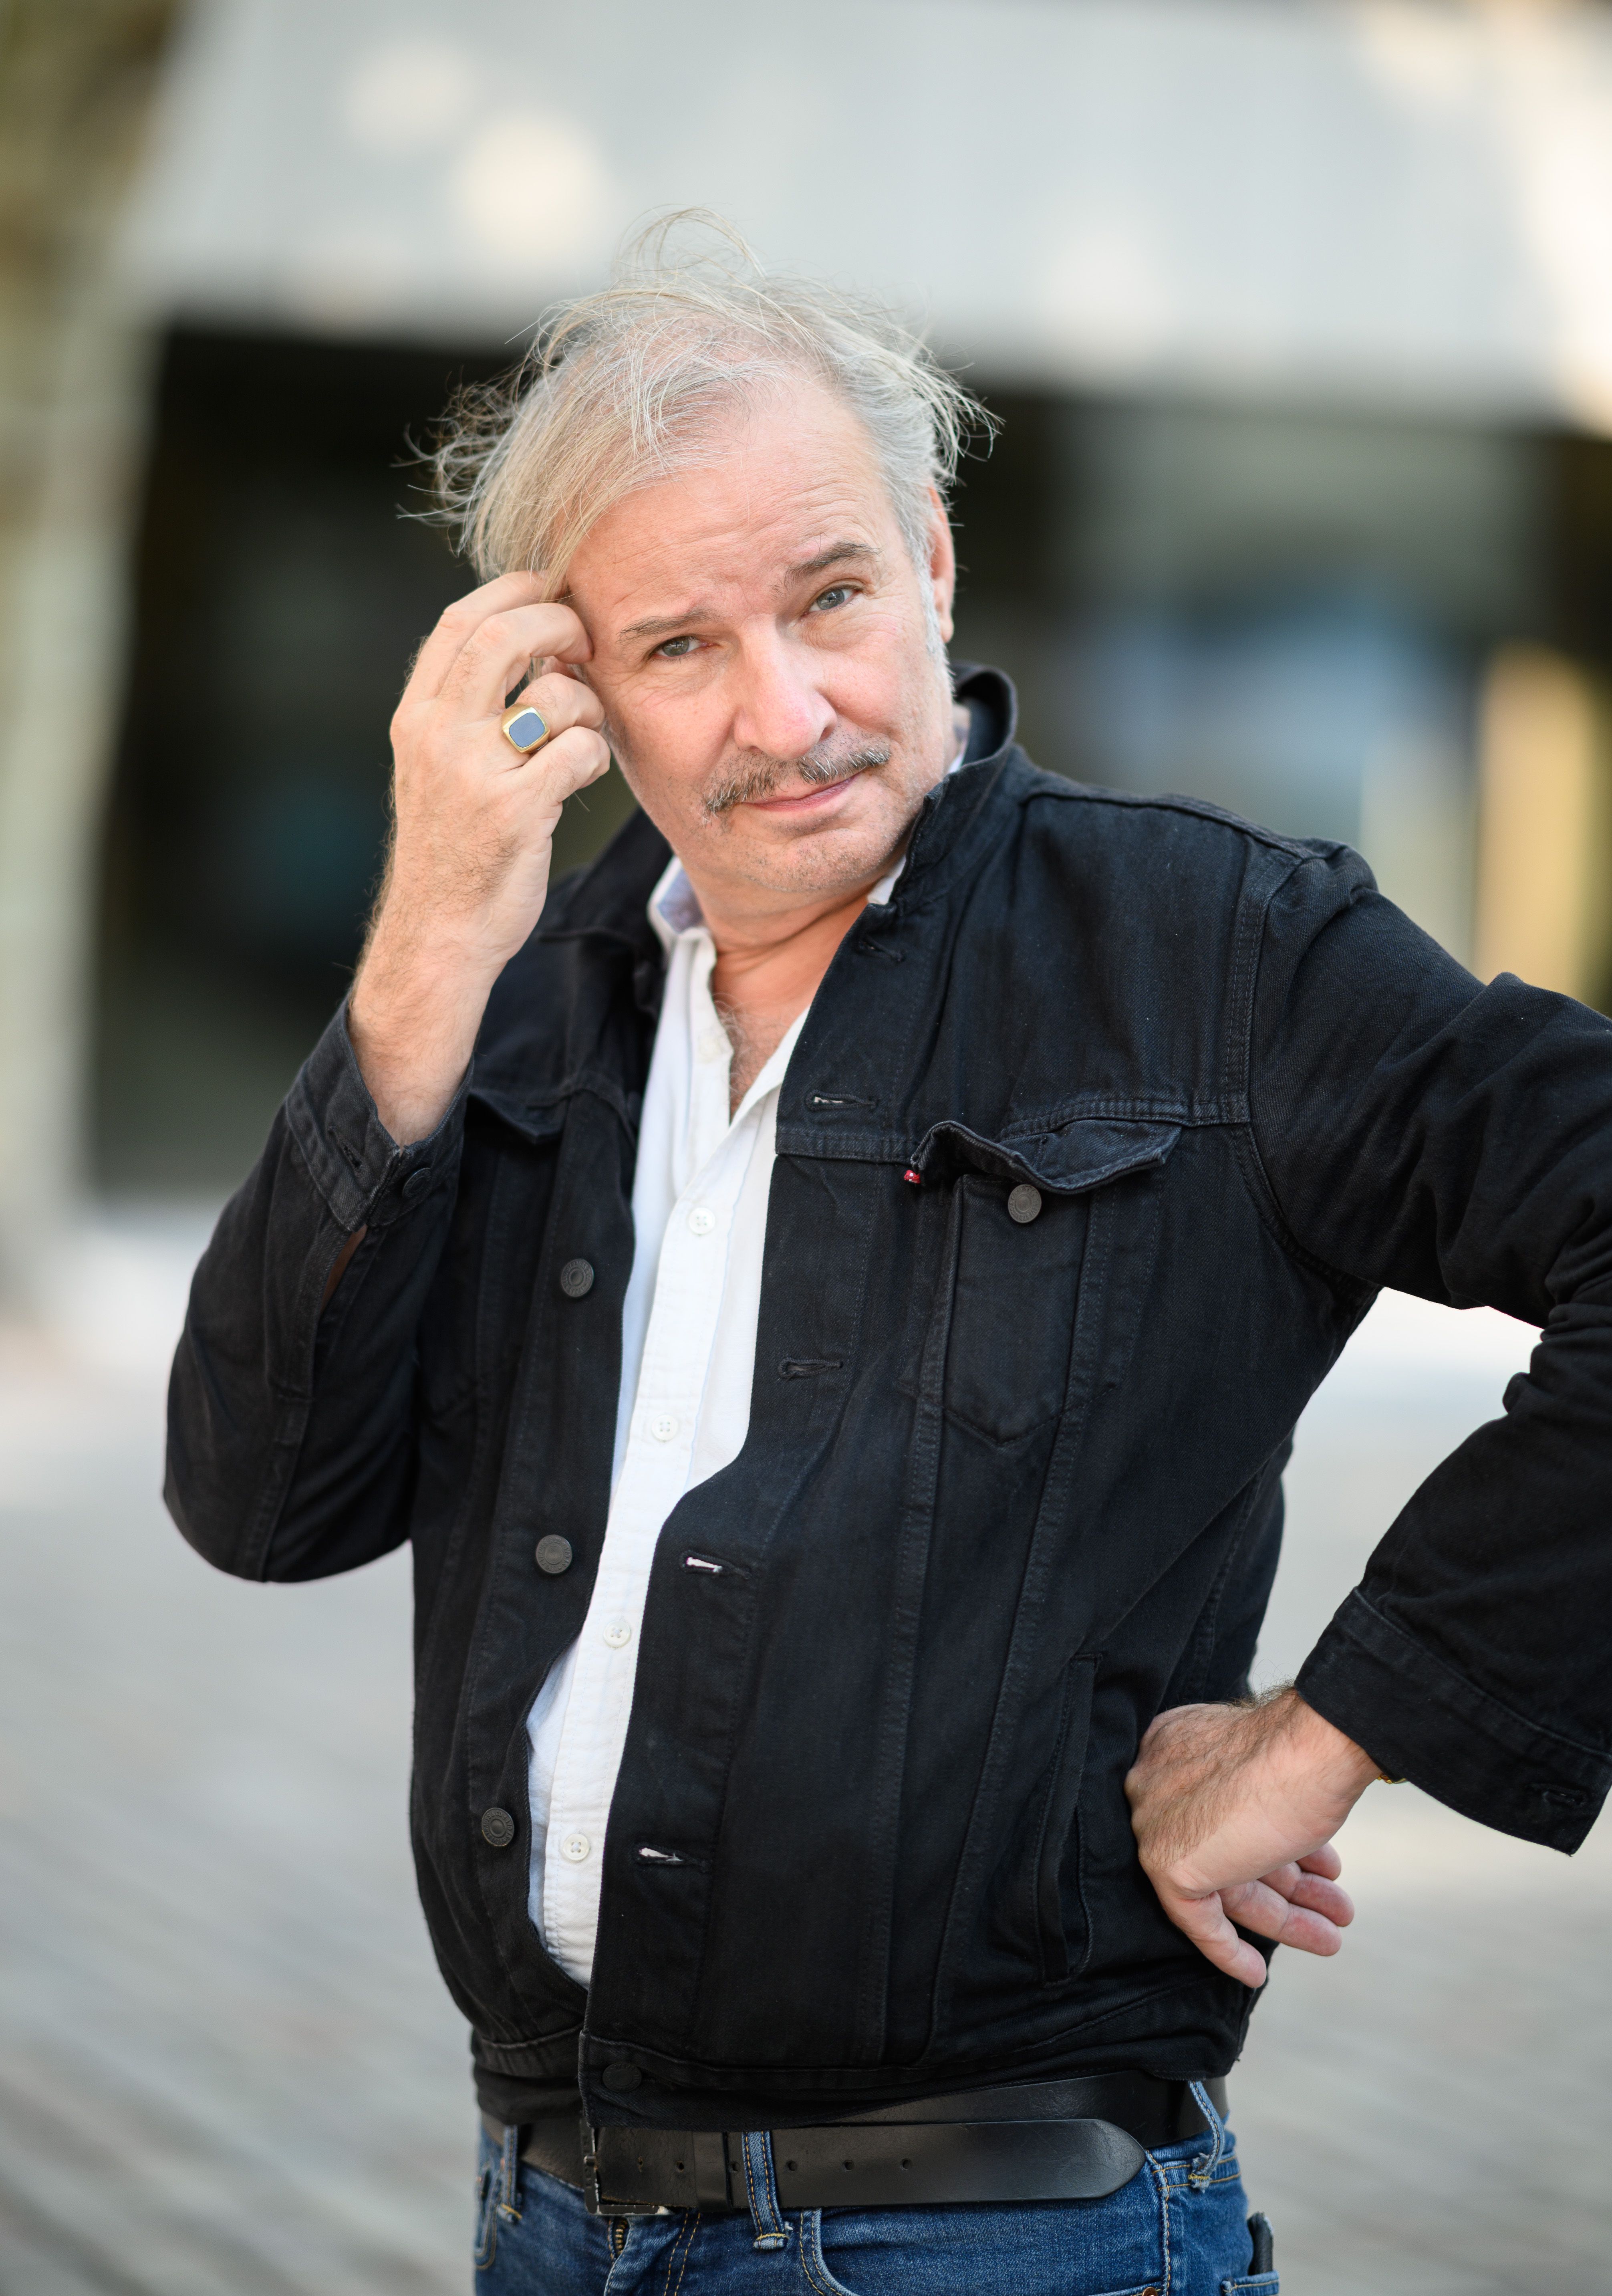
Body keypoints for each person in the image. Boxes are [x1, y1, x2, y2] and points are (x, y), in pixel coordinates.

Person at [165, 220, 1612, 2296]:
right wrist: (431, 927)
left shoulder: (1213, 956)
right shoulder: (513, 1012)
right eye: (677, 646)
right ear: (569, 682)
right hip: (548, 2218)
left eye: (830, 596)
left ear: (931, 562)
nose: (788, 711)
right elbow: (261, 1499)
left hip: (1001, 2232)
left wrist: (1334, 1726)